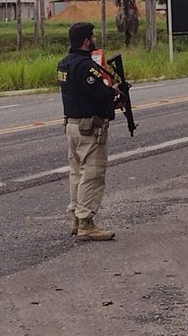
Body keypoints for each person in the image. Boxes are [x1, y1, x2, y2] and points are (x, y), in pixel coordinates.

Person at [57, 22, 120, 241]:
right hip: (89, 128)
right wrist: (113, 92)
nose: (94, 40)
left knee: (77, 173)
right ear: (86, 41)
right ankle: (86, 223)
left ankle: (76, 218)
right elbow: (99, 94)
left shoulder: (64, 64)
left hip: (72, 125)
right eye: (92, 37)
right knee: (92, 174)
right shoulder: (86, 66)